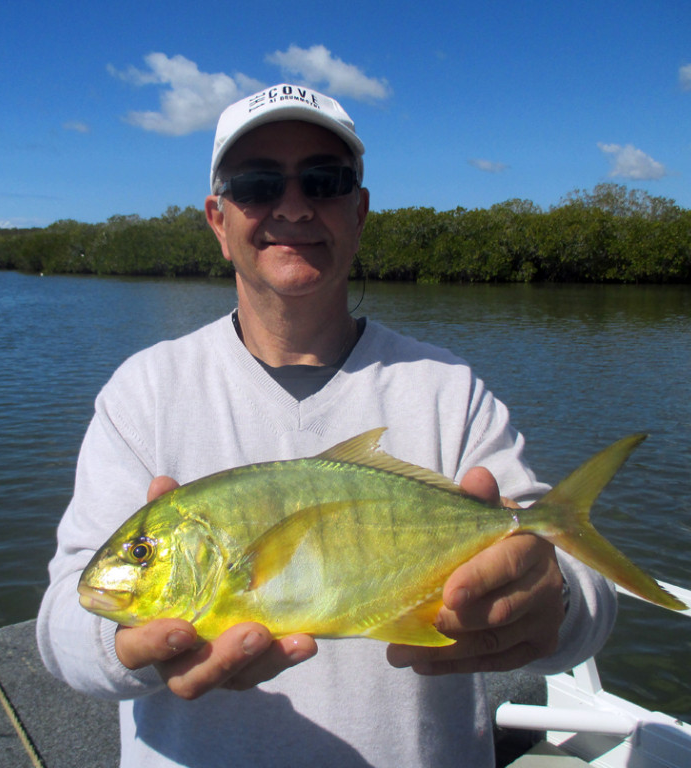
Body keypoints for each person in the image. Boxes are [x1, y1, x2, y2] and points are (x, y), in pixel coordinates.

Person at [37, 83, 616, 767]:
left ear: (360, 211)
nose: (292, 206)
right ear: (217, 222)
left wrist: (551, 601)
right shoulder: (145, 392)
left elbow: (584, 604)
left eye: (325, 180)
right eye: (255, 184)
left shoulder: (446, 389)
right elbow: (63, 623)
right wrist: (126, 648)